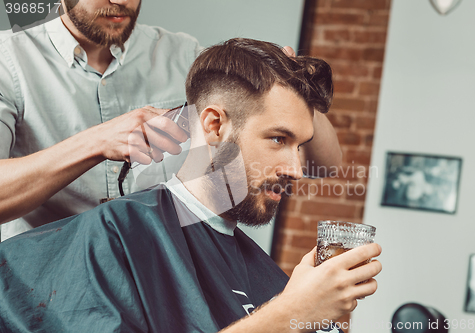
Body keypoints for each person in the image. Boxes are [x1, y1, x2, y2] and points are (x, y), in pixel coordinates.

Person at [0, 38, 381, 333]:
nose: (296, 169)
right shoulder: (119, 237)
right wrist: (288, 315)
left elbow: (329, 165)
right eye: (278, 139)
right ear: (214, 125)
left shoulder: (279, 281)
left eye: (300, 145)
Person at [0, 0, 342, 241]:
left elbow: (323, 166)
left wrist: (298, 91)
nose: (121, 1)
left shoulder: (183, 55)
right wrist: (95, 143)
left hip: (160, 271)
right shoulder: (9, 62)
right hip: (44, 282)